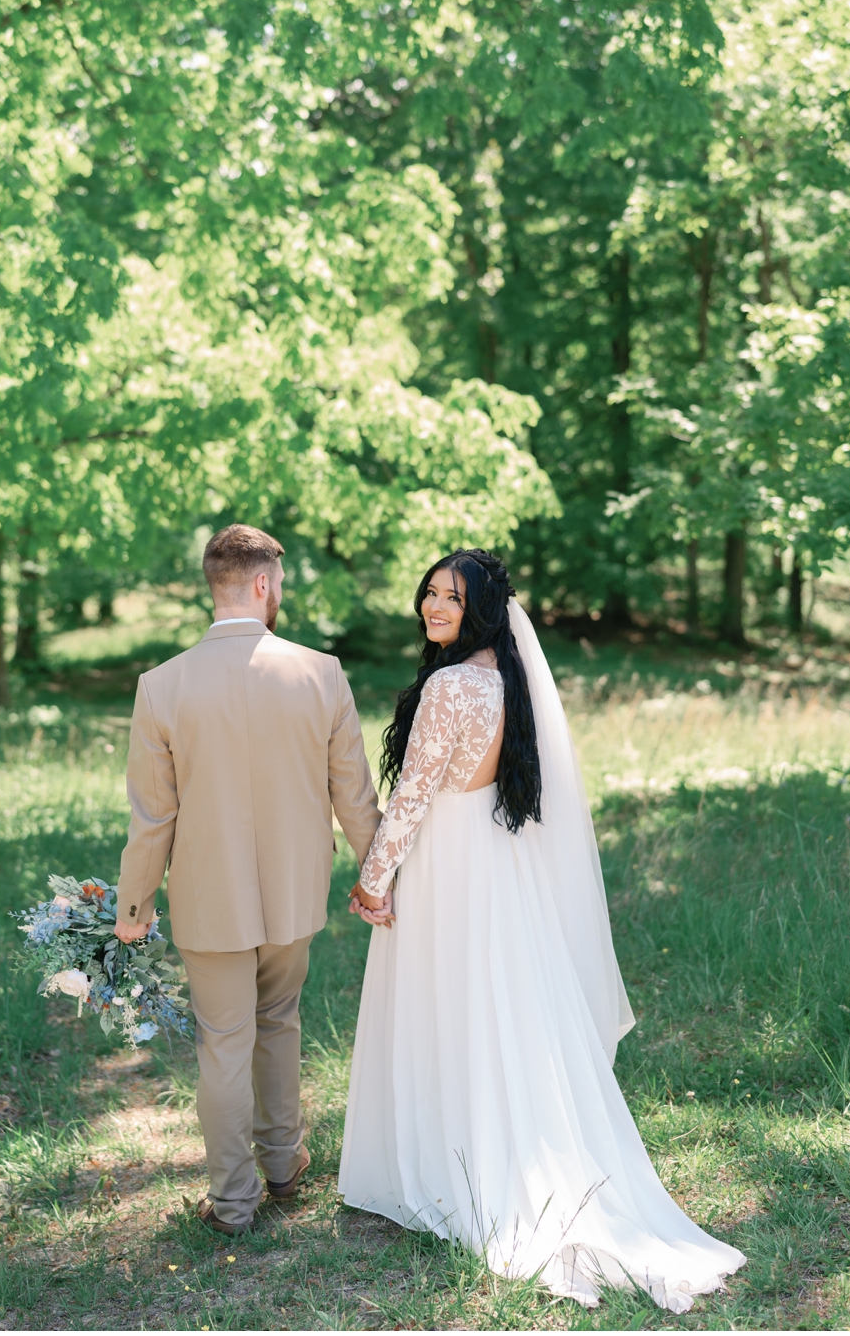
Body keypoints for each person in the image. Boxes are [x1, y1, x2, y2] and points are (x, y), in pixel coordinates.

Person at [339, 548, 745, 1312]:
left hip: (446, 866)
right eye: (429, 593)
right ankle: (486, 1151)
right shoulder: (508, 682)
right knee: (498, 1014)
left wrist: (373, 879)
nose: (433, 607)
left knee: (445, 1010)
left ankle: (451, 1167)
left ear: (482, 608)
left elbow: (415, 794)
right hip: (492, 866)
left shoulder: (451, 684)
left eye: (451, 599)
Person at [114, 523, 381, 1233]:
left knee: (223, 1040)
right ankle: (285, 1165)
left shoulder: (160, 685)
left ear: (216, 583)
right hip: (296, 893)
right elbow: (353, 794)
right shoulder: (321, 671)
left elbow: (152, 816)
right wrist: (381, 874)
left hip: (209, 897)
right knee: (279, 1021)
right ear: (263, 583)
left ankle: (232, 1200)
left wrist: (133, 905)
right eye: (280, 584)